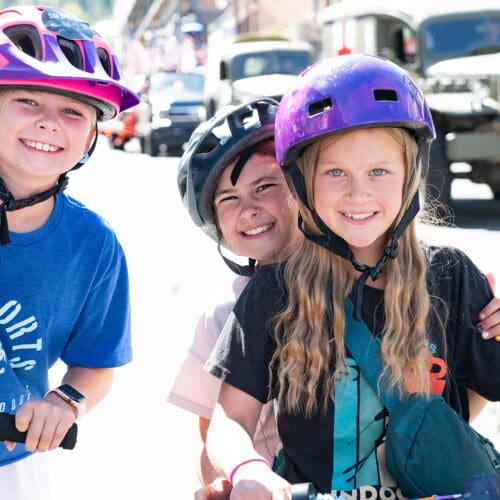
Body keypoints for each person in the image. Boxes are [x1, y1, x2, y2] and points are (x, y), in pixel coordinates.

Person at [203, 54, 500, 499]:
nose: (357, 193)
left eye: (378, 171)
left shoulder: (452, 277)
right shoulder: (275, 291)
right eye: (335, 172)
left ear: (410, 176)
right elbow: (229, 420)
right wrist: (249, 468)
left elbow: (481, 387)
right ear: (303, 184)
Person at [0, 5, 139, 499]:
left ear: (90, 136)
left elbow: (97, 362)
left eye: (73, 111)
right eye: (28, 101)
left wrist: (64, 404)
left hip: (10, 464)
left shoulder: (94, 245)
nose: (50, 123)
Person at [168, 98, 301, 499]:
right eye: (228, 199)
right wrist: (233, 478)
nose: (249, 210)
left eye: (265, 186)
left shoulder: (367, 284)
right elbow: (211, 448)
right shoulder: (224, 315)